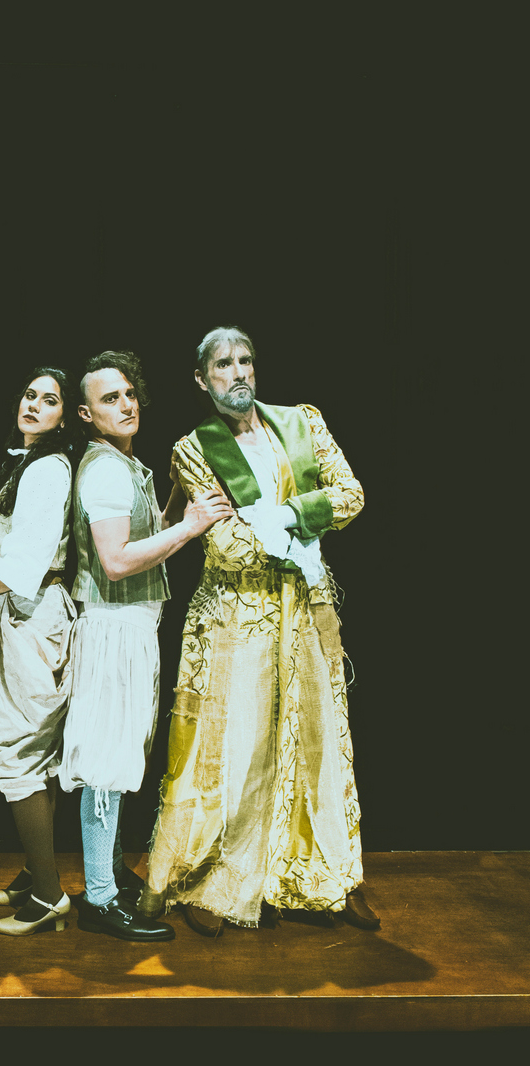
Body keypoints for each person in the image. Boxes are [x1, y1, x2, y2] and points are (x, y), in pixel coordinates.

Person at [137, 326, 378, 937]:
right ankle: (212, 878)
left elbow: (350, 496)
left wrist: (282, 515)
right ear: (202, 379)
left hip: (306, 604)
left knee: (316, 736)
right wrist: (303, 523)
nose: (238, 371)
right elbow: (229, 545)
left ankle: (330, 873)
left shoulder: (302, 423)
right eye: (223, 364)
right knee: (232, 744)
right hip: (235, 614)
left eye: (245, 360)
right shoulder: (194, 449)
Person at [61, 350, 235, 942]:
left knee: (118, 755)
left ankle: (108, 873)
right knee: (104, 762)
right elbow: (114, 562)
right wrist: (191, 525)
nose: (126, 404)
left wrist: (175, 505)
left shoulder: (125, 464)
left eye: (129, 393)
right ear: (86, 414)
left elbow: (139, 537)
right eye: (109, 399)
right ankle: (99, 898)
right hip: (112, 626)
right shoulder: (105, 469)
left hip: (132, 625)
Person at [0, 366, 77, 937]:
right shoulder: (29, 463)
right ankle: (36, 873)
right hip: (25, 613)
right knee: (34, 752)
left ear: (65, 416)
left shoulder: (49, 467)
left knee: (18, 749)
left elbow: (31, 555)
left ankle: (50, 895)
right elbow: (25, 536)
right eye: (30, 395)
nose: (34, 405)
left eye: (49, 400)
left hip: (32, 615)